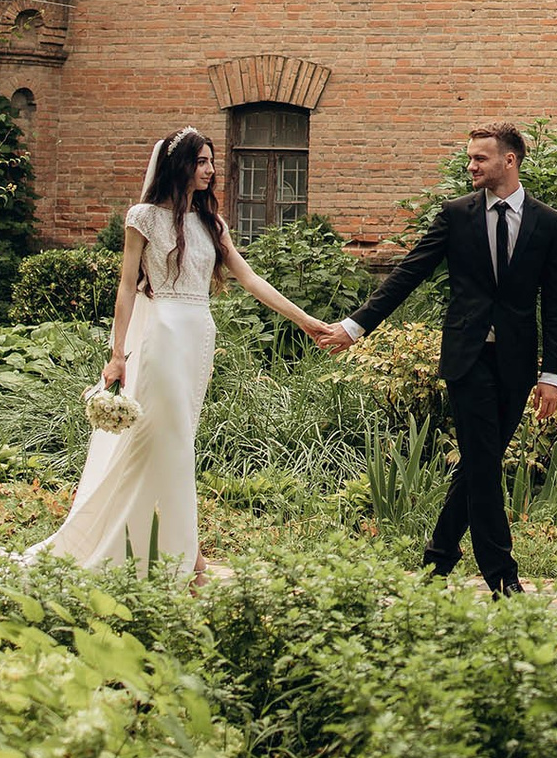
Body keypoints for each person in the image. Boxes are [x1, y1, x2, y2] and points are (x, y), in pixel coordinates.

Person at [26, 125, 342, 579]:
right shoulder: (143, 217)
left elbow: (251, 280)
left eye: (212, 162)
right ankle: (188, 561)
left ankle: (171, 549)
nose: (211, 171)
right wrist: (117, 354)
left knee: (177, 444)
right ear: (179, 165)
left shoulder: (212, 223)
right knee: (171, 445)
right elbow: (126, 289)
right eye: (202, 162)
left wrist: (307, 321)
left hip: (199, 334)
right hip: (162, 335)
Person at [322, 121, 557, 595]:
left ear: (508, 161)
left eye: (480, 158)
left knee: (481, 460)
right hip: (466, 357)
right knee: (483, 460)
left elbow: (555, 305)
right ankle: (502, 578)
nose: (470, 165)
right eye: (470, 157)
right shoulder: (456, 215)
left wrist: (551, 373)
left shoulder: (547, 222)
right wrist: (355, 327)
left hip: (517, 364)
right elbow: (408, 273)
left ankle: (437, 560)